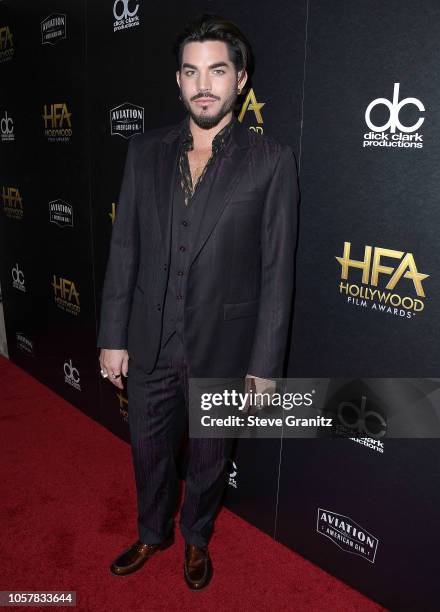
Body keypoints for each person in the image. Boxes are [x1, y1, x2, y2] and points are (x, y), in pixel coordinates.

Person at [97, 13, 299, 590]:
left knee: (210, 462)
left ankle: (196, 539)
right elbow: (124, 248)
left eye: (217, 70)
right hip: (149, 341)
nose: (203, 84)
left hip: (225, 348)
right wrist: (113, 336)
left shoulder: (271, 160)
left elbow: (276, 271)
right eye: (191, 71)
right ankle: (151, 532)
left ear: (240, 81)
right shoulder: (144, 153)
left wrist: (264, 364)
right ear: (178, 81)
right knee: (148, 452)